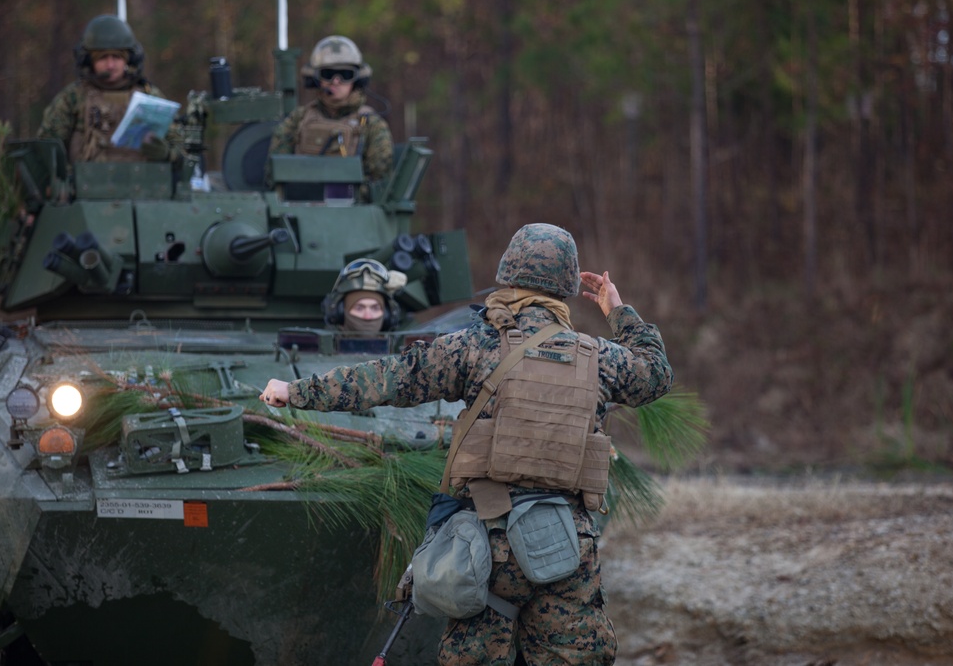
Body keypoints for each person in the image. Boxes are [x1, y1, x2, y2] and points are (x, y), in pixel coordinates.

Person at [259, 223, 674, 664]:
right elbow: (656, 374)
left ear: (506, 275)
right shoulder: (599, 357)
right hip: (565, 546)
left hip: (484, 546)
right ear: (567, 287)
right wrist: (617, 310)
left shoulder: (473, 346)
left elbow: (388, 378)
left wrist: (296, 391)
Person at [37, 14, 181, 164]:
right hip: (85, 185)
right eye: (102, 58)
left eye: (116, 57)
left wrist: (167, 154)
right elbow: (47, 148)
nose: (110, 65)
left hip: (143, 184)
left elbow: (182, 148)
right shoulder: (73, 98)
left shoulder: (150, 97)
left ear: (128, 59)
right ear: (89, 61)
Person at [264, 35, 393, 199]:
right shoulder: (299, 119)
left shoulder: (371, 124)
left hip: (353, 214)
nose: (336, 81)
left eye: (345, 74)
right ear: (316, 79)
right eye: (328, 74)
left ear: (357, 79)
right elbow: (275, 171)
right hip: (300, 209)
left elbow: (380, 180)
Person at [321, 258, 406, 333]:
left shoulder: (405, 348)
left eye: (375, 308)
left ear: (387, 314)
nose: (368, 316)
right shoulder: (317, 348)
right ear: (340, 312)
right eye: (359, 308)